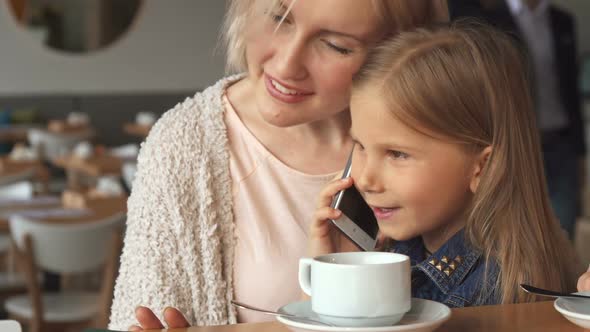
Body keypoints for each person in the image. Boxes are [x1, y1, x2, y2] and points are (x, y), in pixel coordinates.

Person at [108, 0, 449, 330]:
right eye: (279, 18)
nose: (286, 66)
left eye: (335, 46)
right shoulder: (183, 145)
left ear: (401, 47)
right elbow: (137, 312)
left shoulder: (443, 141)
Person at [310, 22, 579, 307]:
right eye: (361, 146)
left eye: (397, 154)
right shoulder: (401, 248)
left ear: (482, 167)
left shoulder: (489, 295)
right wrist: (342, 272)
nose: (365, 180)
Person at [447, 0, 586, 240]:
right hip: (518, 139)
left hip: (561, 140)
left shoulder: (562, 20)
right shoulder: (490, 18)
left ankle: (562, 278)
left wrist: (580, 151)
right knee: (522, 227)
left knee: (563, 226)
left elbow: (571, 89)